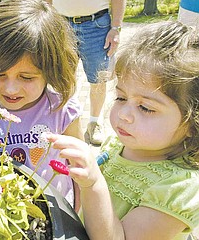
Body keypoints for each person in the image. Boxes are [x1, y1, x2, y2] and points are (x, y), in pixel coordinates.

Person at [45, 21, 199, 239]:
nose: (124, 114)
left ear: (192, 123)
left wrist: (94, 183)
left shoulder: (180, 188)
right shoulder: (119, 145)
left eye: (145, 108)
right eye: (121, 97)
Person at [0, 0, 83, 211]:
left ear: (51, 70)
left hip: (55, 209)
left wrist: (76, 213)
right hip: (0, 212)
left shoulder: (61, 109)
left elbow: (79, 166)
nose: (10, 89)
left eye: (27, 77)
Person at [39, 0, 126, 146]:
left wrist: (116, 28)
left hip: (97, 26)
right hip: (61, 25)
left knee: (98, 80)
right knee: (62, 79)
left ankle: (94, 123)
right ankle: (63, 121)